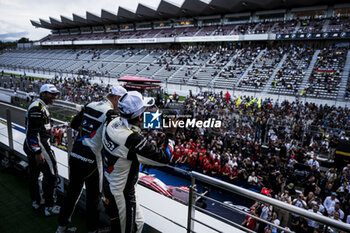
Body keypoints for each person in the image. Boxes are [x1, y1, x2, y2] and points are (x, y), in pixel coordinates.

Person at [102, 91, 176, 233]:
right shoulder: (131, 140)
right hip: (121, 193)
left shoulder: (113, 121)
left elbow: (132, 128)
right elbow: (165, 158)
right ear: (140, 116)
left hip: (112, 184)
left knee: (138, 222)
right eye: (145, 109)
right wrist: (170, 135)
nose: (148, 111)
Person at [56, 86, 127, 233]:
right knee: (93, 198)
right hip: (92, 160)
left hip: (75, 154)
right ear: (117, 98)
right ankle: (92, 230)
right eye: (122, 101)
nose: (122, 106)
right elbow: (113, 139)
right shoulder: (111, 113)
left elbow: (74, 124)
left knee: (72, 194)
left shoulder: (90, 105)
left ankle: (61, 227)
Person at [23, 83, 60, 216]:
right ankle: (50, 206)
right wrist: (38, 152)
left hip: (33, 146)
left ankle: (37, 201)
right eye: (52, 94)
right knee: (51, 175)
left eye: (55, 94)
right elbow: (32, 132)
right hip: (41, 147)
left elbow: (39, 127)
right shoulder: (37, 108)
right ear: (43, 94)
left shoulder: (39, 106)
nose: (54, 97)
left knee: (34, 175)